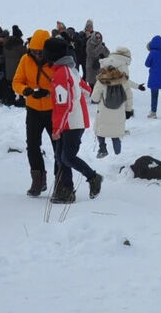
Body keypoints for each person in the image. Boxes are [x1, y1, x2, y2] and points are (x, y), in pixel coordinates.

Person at [44, 37, 101, 204]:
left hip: (71, 123)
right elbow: (86, 90)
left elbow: (64, 104)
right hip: (74, 121)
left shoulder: (61, 73)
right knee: (60, 157)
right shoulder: (71, 70)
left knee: (67, 158)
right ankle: (66, 191)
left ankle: (93, 177)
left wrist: (57, 129)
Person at [11, 29, 55, 197]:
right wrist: (28, 91)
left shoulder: (55, 62)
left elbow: (63, 85)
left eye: (41, 52)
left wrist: (48, 92)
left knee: (58, 147)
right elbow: (16, 82)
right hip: (33, 109)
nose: (37, 55)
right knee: (32, 146)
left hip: (52, 110)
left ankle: (60, 181)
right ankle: (38, 179)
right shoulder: (25, 59)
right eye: (34, 51)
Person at [90, 47, 135, 158]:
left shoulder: (101, 81)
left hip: (103, 113)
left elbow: (94, 98)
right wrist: (128, 110)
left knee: (101, 131)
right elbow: (129, 96)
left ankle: (102, 147)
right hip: (118, 113)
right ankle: (118, 156)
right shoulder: (123, 80)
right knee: (115, 135)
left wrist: (97, 99)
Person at [2, 26, 26, 103]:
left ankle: (10, 99)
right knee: (20, 83)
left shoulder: (6, 46)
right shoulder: (20, 46)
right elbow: (25, 56)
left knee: (10, 85)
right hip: (17, 68)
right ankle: (21, 99)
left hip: (8, 68)